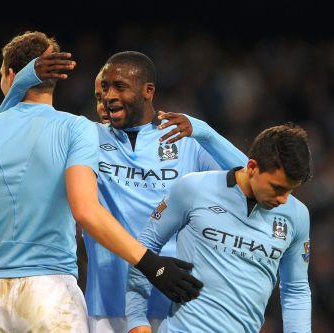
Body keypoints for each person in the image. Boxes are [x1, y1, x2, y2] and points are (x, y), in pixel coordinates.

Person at [0, 31, 203, 332]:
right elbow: (85, 211)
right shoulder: (76, 129)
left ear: (10, 76)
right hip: (50, 292)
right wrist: (150, 263)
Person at [0, 50, 248, 332]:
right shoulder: (87, 138)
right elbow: (5, 135)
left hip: (177, 304)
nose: (108, 96)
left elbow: (252, 181)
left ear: (148, 91)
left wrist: (206, 132)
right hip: (107, 306)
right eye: (104, 89)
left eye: (119, 87)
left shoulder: (184, 139)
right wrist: (24, 81)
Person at [127, 124, 312, 333]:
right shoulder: (194, 188)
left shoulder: (297, 215)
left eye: (290, 191)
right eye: (277, 188)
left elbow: (295, 290)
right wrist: (136, 318)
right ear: (251, 167)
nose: (283, 199)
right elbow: (145, 246)